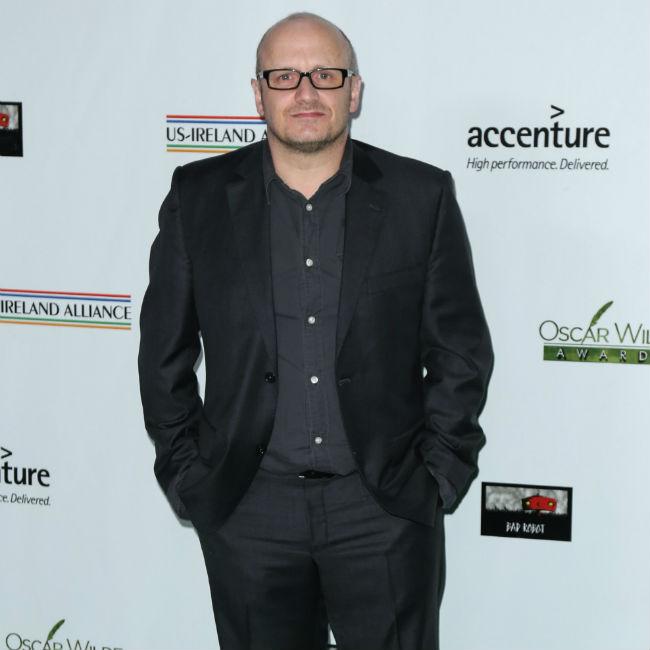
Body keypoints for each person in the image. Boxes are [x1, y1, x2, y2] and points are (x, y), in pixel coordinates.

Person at [138, 11, 493, 650]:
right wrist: (188, 474)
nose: (305, 91)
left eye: (325, 74)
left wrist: (437, 475)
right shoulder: (198, 196)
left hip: (382, 510)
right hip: (249, 511)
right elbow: (163, 354)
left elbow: (460, 353)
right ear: (258, 94)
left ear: (353, 91)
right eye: (284, 76)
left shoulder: (421, 195)